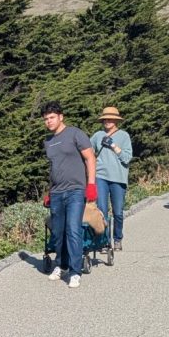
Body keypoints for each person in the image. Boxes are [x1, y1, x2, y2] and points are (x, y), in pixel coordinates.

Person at [41, 101, 97, 289]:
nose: (49, 121)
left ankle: (75, 272)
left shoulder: (75, 134)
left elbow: (90, 157)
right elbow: (54, 168)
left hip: (75, 190)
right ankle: (61, 265)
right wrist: (49, 191)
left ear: (60, 117)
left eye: (52, 117)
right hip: (57, 192)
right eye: (46, 119)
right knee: (58, 232)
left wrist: (91, 185)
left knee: (73, 229)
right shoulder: (48, 142)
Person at [90, 106, 133, 251]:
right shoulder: (97, 136)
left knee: (118, 212)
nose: (107, 121)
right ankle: (104, 241)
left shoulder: (124, 136)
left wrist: (114, 146)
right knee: (102, 211)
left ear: (116, 120)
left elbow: (127, 158)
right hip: (100, 176)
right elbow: (89, 154)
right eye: (105, 119)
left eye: (110, 119)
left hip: (118, 179)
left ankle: (118, 238)